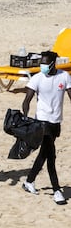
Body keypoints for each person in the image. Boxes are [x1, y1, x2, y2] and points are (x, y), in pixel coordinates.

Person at [22, 51, 70, 205]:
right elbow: (26, 100)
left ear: (53, 63)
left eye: (45, 63)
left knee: (44, 153)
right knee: (51, 155)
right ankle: (56, 190)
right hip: (42, 121)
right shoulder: (37, 78)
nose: (42, 66)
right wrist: (26, 117)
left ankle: (29, 181)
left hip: (56, 121)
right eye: (41, 63)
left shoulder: (64, 76)